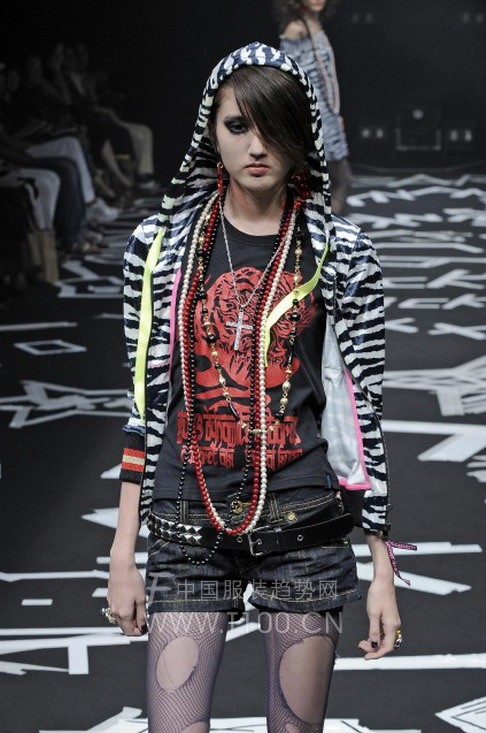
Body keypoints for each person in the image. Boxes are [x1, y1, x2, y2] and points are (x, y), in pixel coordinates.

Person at [106, 42, 404, 732]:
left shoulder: (341, 253)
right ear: (210, 131)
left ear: (303, 134)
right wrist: (123, 552)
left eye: (276, 126)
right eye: (238, 126)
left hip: (304, 523)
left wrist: (383, 569)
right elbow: (145, 405)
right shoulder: (159, 248)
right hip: (188, 520)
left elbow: (363, 412)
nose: (258, 145)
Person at [274, 0, 353, 213]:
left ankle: (324, 226)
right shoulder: (296, 28)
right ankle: (321, 227)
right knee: (334, 180)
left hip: (327, 113)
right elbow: (290, 76)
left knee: (336, 181)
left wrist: (335, 114)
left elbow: (326, 74)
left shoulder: (314, 21)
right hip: (312, 115)